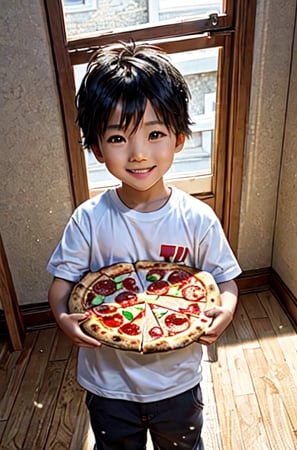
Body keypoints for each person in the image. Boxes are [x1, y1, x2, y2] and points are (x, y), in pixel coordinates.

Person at [47, 41, 241, 450]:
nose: (138, 154)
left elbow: (224, 280)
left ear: (180, 138)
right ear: (97, 148)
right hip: (107, 384)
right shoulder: (87, 219)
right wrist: (63, 318)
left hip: (178, 382)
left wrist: (224, 310)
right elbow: (63, 287)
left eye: (155, 133)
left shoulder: (197, 218)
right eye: (119, 137)